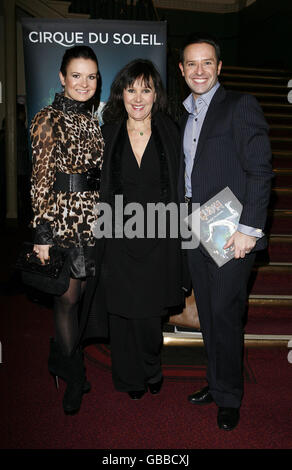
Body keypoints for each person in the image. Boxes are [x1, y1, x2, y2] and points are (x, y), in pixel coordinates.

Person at [178, 34, 273, 430]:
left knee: (226, 315)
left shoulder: (239, 105)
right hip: (195, 227)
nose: (199, 71)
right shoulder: (185, 113)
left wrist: (249, 229)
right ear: (181, 70)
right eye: (191, 64)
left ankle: (230, 396)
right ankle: (216, 385)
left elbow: (261, 169)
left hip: (231, 230)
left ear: (219, 68)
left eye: (207, 63)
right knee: (209, 316)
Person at [97, 59, 183, 399]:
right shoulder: (109, 132)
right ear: (121, 93)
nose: (137, 97)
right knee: (120, 314)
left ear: (155, 94)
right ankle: (129, 378)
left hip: (159, 236)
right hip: (117, 237)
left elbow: (182, 186)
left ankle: (151, 366)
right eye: (131, 89)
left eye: (145, 90)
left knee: (149, 317)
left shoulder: (170, 130)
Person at [30, 45, 104, 414]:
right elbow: (40, 180)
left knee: (82, 299)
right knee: (67, 299)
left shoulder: (93, 120)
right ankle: (74, 375)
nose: (84, 83)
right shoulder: (47, 118)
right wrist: (42, 236)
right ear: (62, 78)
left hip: (93, 219)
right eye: (76, 75)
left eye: (91, 76)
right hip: (62, 220)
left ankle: (61, 356)